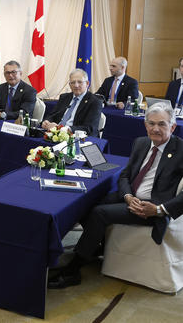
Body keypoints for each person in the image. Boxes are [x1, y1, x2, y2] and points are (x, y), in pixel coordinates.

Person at [48, 104, 183, 289]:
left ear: (173, 127)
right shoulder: (141, 142)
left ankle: (74, 269)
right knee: (86, 201)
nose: (155, 129)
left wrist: (160, 210)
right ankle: (97, 246)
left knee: (100, 213)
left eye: (161, 124)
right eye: (151, 123)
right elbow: (126, 175)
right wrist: (127, 195)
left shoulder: (180, 150)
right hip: (131, 197)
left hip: (151, 208)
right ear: (145, 125)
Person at [42, 69, 103, 136]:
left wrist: (64, 129)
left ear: (87, 84)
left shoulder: (95, 102)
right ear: (69, 85)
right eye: (73, 82)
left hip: (75, 137)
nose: (76, 85)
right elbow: (52, 115)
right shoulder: (64, 97)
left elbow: (89, 128)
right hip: (55, 134)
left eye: (80, 82)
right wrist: (47, 122)